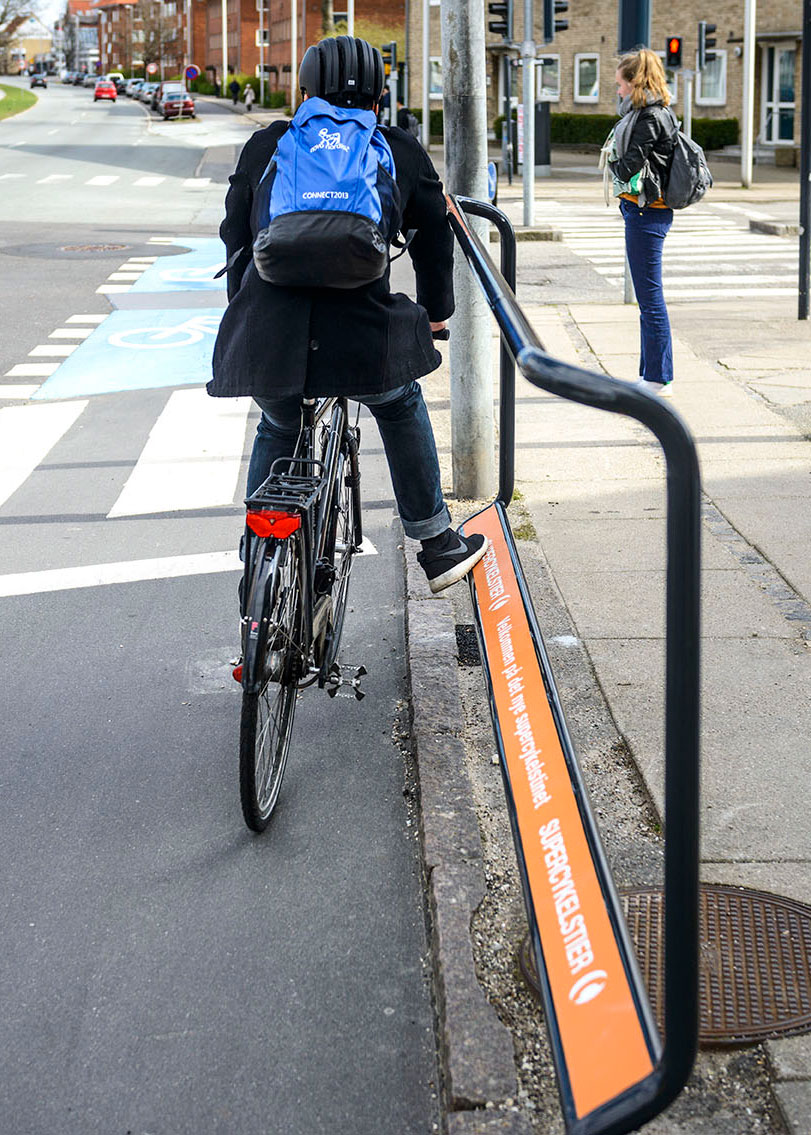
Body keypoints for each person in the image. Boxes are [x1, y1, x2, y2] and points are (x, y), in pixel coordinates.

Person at [208, 36, 488, 594]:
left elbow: (235, 231)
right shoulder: (397, 148)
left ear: (305, 91)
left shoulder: (270, 144)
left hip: (270, 335)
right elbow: (435, 239)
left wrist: (242, 304)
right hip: (363, 338)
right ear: (380, 98)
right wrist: (435, 316)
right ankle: (437, 545)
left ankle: (258, 559)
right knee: (400, 403)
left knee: (279, 422)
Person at [607, 49, 678, 395]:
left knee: (650, 297)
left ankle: (657, 377)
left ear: (635, 82)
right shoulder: (656, 112)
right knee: (648, 295)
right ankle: (650, 372)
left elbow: (628, 167)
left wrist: (611, 160)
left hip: (646, 212)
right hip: (646, 211)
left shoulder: (648, 118)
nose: (618, 90)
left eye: (620, 83)